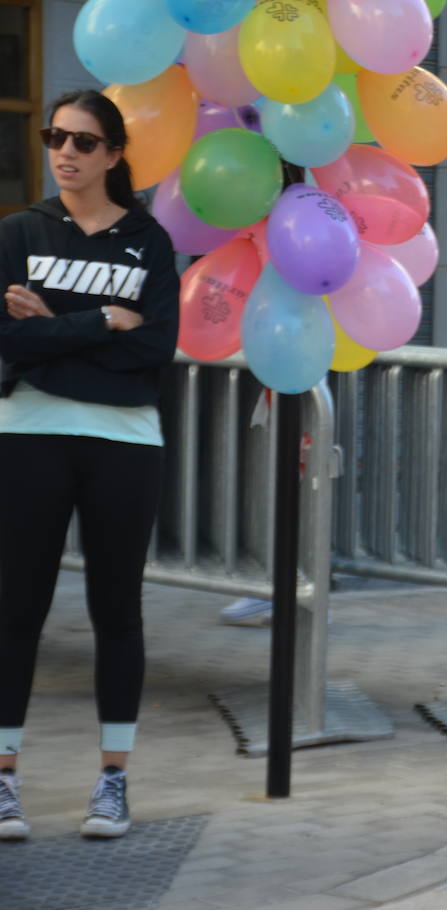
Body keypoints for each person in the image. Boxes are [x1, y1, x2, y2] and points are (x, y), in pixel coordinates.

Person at [0, 90, 179, 841]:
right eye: (54, 137)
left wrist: (52, 331)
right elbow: (9, 344)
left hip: (125, 441)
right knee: (16, 609)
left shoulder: (151, 241)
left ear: (113, 154)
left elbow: (154, 351)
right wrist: (103, 319)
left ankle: (113, 780)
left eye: (82, 141)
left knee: (117, 610)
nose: (64, 152)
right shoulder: (18, 232)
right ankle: (5, 780)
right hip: (28, 433)